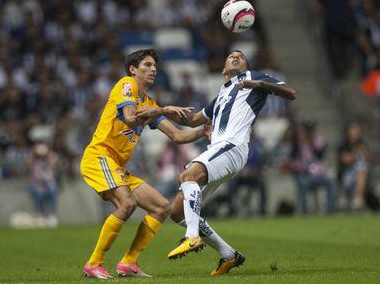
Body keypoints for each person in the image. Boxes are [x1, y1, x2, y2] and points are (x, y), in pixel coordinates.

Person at [137, 50, 296, 276]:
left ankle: (192, 237)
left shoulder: (254, 78)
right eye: (231, 55)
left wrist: (258, 83)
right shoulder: (222, 93)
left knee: (187, 176)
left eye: (241, 56)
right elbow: (192, 121)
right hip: (219, 151)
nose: (236, 56)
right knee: (177, 212)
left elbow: (291, 93)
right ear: (223, 70)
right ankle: (228, 254)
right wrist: (161, 111)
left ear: (247, 66)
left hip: (232, 147)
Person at [80, 49, 208, 279]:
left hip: (116, 165)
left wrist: (203, 131)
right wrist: (164, 110)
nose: (153, 70)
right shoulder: (126, 84)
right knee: (127, 203)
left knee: (161, 207)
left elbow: (177, 137)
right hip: (99, 157)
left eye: (155, 67)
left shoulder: (148, 102)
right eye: (147, 65)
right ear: (133, 69)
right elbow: (130, 117)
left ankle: (128, 263)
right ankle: (94, 263)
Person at [292, 120, 336, 214]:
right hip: (304, 175)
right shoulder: (297, 143)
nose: (308, 132)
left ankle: (330, 211)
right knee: (303, 185)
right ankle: (304, 213)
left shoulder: (319, 141)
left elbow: (320, 156)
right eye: (307, 130)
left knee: (331, 183)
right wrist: (302, 142)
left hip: (318, 175)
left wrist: (310, 143)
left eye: (310, 130)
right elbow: (293, 158)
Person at [27, 141, 59, 228]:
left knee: (53, 190)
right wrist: (35, 154)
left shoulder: (51, 158)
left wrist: (48, 155)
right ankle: (40, 214)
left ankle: (52, 215)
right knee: (38, 192)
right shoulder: (34, 160)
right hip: (37, 184)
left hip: (49, 184)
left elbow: (54, 167)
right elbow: (29, 165)